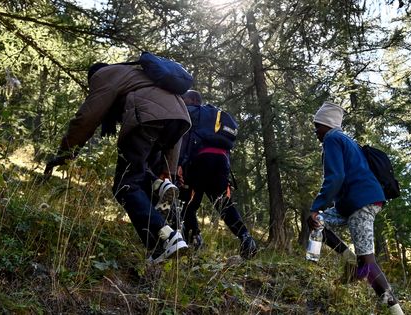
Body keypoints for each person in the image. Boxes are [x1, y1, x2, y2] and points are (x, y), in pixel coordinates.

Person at [44, 62, 191, 264]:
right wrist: (168, 171)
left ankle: (166, 238)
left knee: (126, 185)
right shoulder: (140, 77)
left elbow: (87, 116)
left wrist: (66, 152)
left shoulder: (104, 74)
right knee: (139, 176)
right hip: (179, 120)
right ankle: (158, 232)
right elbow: (169, 119)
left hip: (147, 117)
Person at [308, 101, 404, 314]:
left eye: (317, 126)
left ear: (327, 124)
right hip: (353, 203)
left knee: (368, 263)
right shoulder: (346, 141)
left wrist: (316, 206)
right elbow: (344, 179)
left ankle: (396, 311)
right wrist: (320, 211)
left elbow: (336, 177)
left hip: (361, 204)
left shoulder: (332, 138)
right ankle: (351, 261)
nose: (316, 132)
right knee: (318, 223)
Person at [177, 90, 257, 259]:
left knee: (189, 202)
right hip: (221, 162)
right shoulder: (214, 116)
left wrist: (179, 165)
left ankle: (195, 242)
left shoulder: (192, 112)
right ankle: (246, 238)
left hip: (200, 161)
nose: (182, 102)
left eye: (184, 99)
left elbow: (183, 140)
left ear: (192, 100)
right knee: (223, 204)